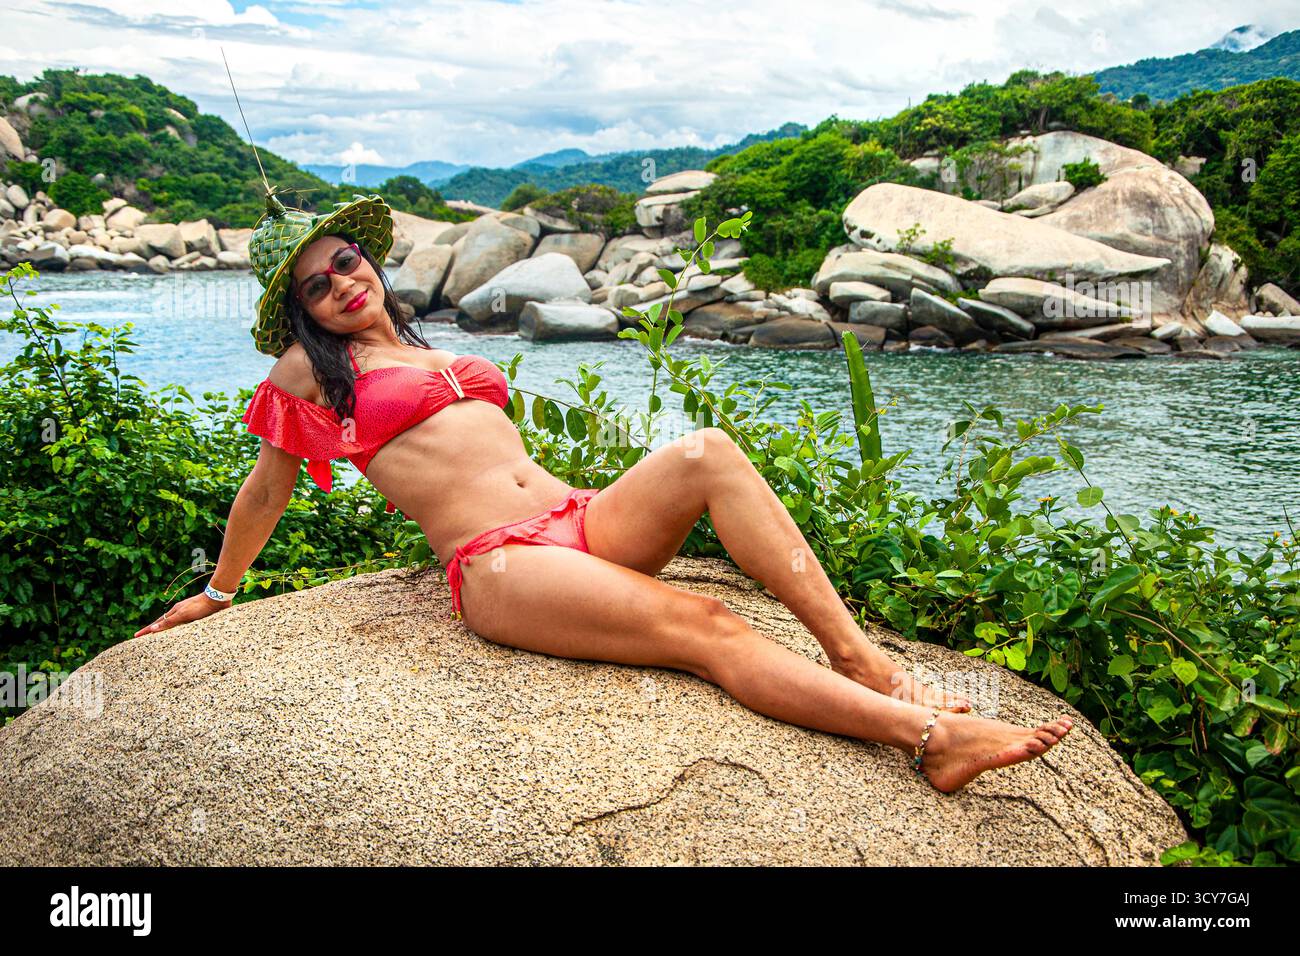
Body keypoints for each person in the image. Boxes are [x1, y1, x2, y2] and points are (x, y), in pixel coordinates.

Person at [135, 190, 1073, 792]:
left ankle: (857, 656)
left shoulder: (418, 346)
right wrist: (219, 591)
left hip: (576, 516)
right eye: (315, 283)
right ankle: (925, 737)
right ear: (298, 311)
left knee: (707, 450)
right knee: (710, 627)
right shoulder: (309, 372)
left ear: (369, 265)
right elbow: (267, 490)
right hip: (504, 567)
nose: (341, 282)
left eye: (346, 262)